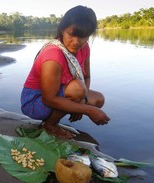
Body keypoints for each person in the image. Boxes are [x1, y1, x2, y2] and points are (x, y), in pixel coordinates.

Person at [21, 5, 110, 139]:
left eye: (83, 36)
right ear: (63, 30)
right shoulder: (53, 55)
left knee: (98, 99)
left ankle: (60, 114)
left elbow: (87, 76)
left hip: (62, 92)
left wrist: (79, 102)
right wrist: (88, 110)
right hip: (35, 101)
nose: (76, 42)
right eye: (71, 34)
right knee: (78, 89)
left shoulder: (84, 48)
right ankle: (50, 125)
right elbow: (48, 98)